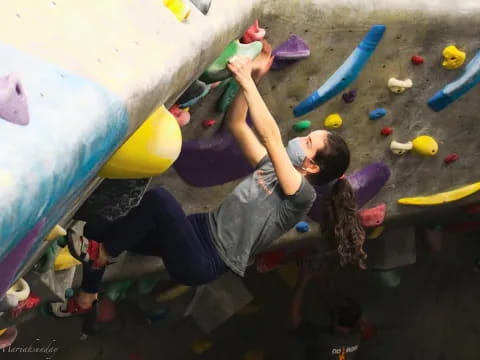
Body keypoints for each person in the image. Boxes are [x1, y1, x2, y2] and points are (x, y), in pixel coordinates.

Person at [54, 40, 366, 316]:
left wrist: (246, 81)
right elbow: (238, 126)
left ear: (311, 167)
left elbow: (271, 136)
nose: (299, 141)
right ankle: (87, 296)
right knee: (102, 229)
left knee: (159, 201)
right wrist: (255, 76)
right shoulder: (271, 168)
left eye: (308, 143)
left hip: (204, 258)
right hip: (196, 229)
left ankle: (104, 254)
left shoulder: (301, 195)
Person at [290, 263, 362, 360]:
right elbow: (330, 305)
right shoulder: (355, 335)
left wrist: (303, 282)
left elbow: (296, 320)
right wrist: (322, 276)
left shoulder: (323, 339)